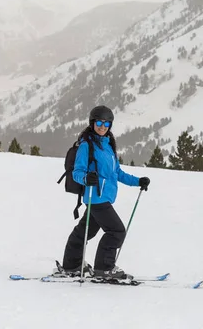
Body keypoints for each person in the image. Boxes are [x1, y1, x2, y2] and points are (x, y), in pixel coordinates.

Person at [56, 105, 150, 280]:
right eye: (99, 122)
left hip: (104, 198)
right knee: (116, 231)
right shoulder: (86, 146)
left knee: (83, 232)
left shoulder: (108, 146)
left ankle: (71, 265)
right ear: (92, 123)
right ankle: (104, 268)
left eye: (107, 123)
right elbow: (77, 172)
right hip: (96, 198)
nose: (102, 126)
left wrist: (138, 181)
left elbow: (117, 173)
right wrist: (86, 179)